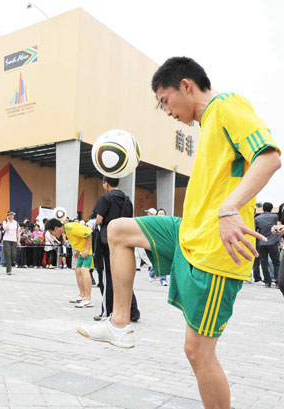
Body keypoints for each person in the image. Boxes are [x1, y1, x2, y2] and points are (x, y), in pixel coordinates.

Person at [78, 57, 281, 409]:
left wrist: (230, 208)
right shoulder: (208, 125)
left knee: (197, 353)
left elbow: (270, 158)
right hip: (189, 232)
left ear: (185, 85)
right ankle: (120, 323)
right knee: (119, 230)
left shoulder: (227, 106)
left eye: (164, 99)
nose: (164, 109)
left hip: (215, 252)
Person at [92, 176, 140, 322]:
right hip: (124, 240)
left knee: (107, 277)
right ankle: (132, 311)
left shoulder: (105, 198)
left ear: (106, 183)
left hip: (108, 241)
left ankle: (107, 311)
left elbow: (99, 220)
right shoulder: (127, 199)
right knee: (123, 277)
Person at [62, 220, 94, 308]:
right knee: (77, 270)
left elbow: (89, 233)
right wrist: (77, 251)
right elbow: (80, 239)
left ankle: (88, 299)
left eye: (51, 232)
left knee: (84, 270)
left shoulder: (70, 227)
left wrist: (87, 249)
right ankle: (82, 295)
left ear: (56, 228)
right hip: (81, 251)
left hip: (89, 251)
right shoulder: (66, 230)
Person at [255, 202, 280, 287]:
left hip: (262, 242)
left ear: (262, 209)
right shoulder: (275, 217)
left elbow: (255, 231)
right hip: (273, 242)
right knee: (276, 262)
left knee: (264, 262)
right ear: (271, 209)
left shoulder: (257, 218)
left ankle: (267, 281)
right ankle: (277, 281)